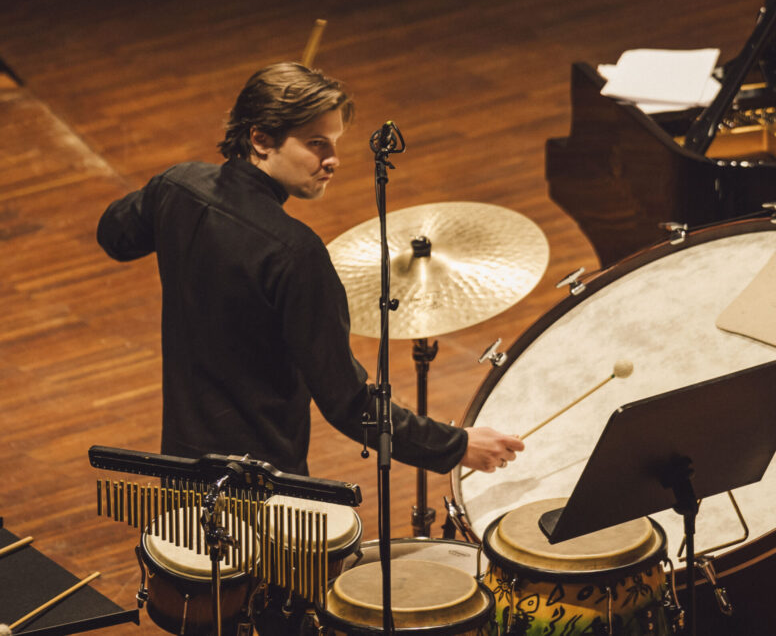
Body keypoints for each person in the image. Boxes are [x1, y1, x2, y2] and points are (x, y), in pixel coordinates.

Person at [96, 62, 524, 481]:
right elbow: (348, 404)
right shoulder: (294, 254)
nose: (333, 160)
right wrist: (455, 445)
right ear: (261, 139)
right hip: (262, 482)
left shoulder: (178, 186)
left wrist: (173, 199)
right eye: (317, 143)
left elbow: (115, 236)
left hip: (182, 464)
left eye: (334, 143)